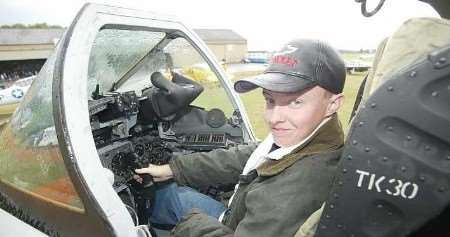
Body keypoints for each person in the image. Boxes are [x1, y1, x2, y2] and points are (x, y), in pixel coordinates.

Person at [134, 38, 346, 237]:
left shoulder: (296, 189)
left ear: (333, 104)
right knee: (170, 194)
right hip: (235, 215)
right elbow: (250, 154)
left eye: (295, 102)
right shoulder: (304, 139)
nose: (273, 118)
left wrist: (192, 224)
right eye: (270, 100)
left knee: (166, 201)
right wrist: (174, 169)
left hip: (230, 226)